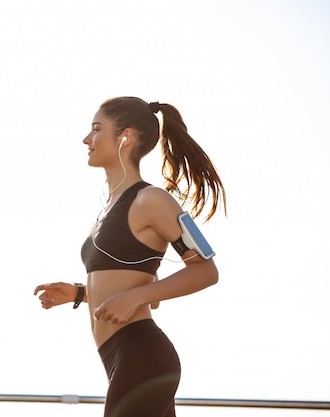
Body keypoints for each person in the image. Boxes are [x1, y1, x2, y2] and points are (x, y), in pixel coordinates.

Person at [34, 97, 226, 417]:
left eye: (96, 129)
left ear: (125, 137)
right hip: (120, 357)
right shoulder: (108, 208)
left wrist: (134, 297)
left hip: (142, 354)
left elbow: (206, 271)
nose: (86, 139)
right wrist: (81, 293)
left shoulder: (151, 199)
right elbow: (135, 278)